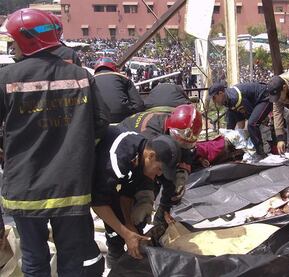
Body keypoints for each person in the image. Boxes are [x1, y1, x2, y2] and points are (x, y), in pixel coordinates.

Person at [0, 8, 109, 276]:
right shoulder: (82, 76)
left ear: (25, 40)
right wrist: (78, 146)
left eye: (13, 41)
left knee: (34, 259)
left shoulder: (6, 79)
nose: (12, 46)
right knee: (71, 259)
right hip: (71, 185)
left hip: (25, 186)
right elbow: (101, 122)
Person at [92, 126, 181, 268]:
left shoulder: (141, 155)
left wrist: (129, 224)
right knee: (108, 220)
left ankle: (119, 252)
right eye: (159, 169)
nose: (158, 174)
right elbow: (97, 203)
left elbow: (126, 193)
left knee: (129, 218)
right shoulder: (118, 159)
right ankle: (115, 256)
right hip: (79, 176)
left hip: (108, 179)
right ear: (151, 156)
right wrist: (126, 233)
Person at [118, 104, 202, 225]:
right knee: (137, 201)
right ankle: (129, 231)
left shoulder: (179, 127)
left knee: (173, 181)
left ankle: (161, 216)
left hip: (150, 155)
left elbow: (187, 153)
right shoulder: (149, 136)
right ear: (171, 131)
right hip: (129, 155)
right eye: (180, 143)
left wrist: (181, 175)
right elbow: (146, 172)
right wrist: (145, 198)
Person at [208, 81, 272, 161]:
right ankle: (233, 149)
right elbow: (239, 119)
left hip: (265, 97)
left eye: (214, 97)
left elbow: (250, 115)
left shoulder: (235, 98)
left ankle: (261, 153)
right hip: (253, 101)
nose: (213, 101)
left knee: (252, 124)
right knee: (230, 125)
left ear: (221, 93)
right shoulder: (227, 99)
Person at [94, 57, 145, 123]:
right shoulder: (123, 78)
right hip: (122, 118)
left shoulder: (91, 80)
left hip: (99, 119)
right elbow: (139, 104)